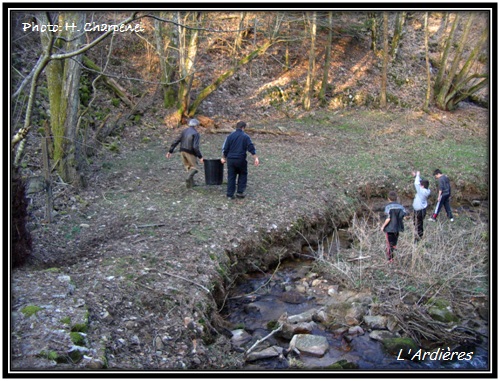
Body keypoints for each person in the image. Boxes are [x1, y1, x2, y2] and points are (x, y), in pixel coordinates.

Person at [220, 121, 259, 200]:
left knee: (231, 176)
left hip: (231, 159)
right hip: (240, 159)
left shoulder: (230, 136)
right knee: (242, 174)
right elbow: (250, 147)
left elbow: (225, 148)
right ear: (243, 128)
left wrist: (223, 157)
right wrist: (255, 157)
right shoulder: (245, 137)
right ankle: (240, 192)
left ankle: (230, 194)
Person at [166, 118, 204, 189]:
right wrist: (200, 157)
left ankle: (190, 185)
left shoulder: (184, 131)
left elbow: (176, 141)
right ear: (195, 126)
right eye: (198, 126)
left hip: (182, 151)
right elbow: (195, 147)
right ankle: (188, 178)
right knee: (195, 168)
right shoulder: (196, 133)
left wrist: (170, 151)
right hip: (190, 152)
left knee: (188, 167)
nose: (198, 128)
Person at [381, 191, 407, 262]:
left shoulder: (388, 207)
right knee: (394, 242)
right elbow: (405, 216)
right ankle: (393, 249)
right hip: (398, 227)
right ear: (396, 198)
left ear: (388, 198)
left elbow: (388, 218)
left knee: (389, 243)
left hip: (389, 228)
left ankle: (390, 258)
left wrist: (383, 226)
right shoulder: (401, 206)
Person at [411, 170, 431, 241]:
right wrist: (416, 176)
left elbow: (416, 184)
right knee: (417, 224)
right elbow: (420, 182)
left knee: (418, 224)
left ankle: (418, 238)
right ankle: (418, 236)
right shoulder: (426, 189)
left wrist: (418, 175)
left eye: (420, 185)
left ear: (422, 186)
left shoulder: (422, 191)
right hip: (421, 210)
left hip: (419, 211)